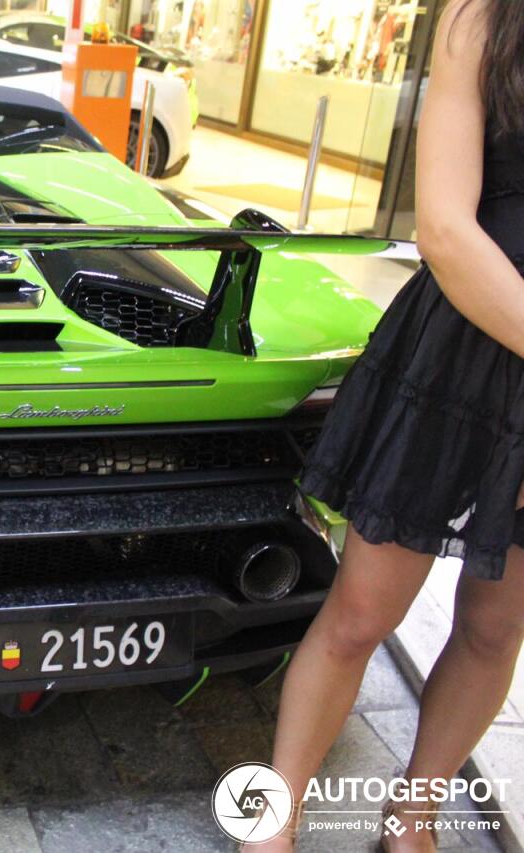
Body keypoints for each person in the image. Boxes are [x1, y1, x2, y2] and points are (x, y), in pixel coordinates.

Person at [244, 0, 524, 850]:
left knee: (495, 623)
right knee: (363, 613)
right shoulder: (488, 18)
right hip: (461, 355)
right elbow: (442, 225)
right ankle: (275, 819)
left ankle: (413, 816)